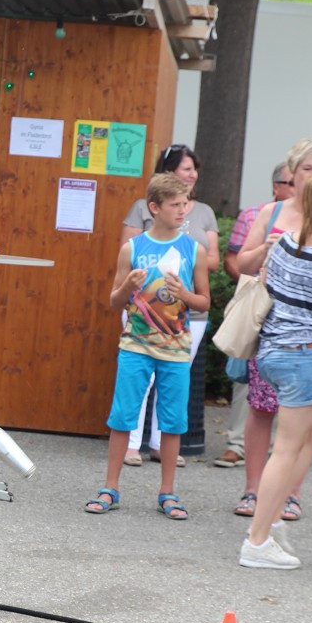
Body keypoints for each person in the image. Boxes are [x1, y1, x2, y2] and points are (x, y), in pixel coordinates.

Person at [85, 173, 210, 520]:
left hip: (175, 350)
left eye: (185, 204)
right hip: (135, 346)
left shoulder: (194, 250)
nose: (183, 210)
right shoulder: (133, 248)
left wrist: (185, 295)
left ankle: (167, 492)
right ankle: (110, 487)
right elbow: (113, 301)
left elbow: (204, 302)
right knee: (123, 416)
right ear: (154, 208)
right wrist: (127, 285)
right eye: (175, 205)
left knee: (172, 421)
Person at [120, 144, 219, 467]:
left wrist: (186, 278)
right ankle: (131, 444)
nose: (192, 174)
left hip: (187, 316)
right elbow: (130, 252)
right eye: (186, 168)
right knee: (140, 382)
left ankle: (162, 445)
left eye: (195, 169)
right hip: (144, 310)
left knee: (173, 380)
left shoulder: (203, 212)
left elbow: (212, 261)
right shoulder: (141, 208)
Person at [239, 159, 312, 570]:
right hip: (304, 357)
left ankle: (268, 523)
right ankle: (257, 540)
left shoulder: (284, 242)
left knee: (304, 443)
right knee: (287, 449)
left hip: (275, 352)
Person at [214, 161, 294, 468]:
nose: (296, 188)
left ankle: (284, 456)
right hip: (259, 305)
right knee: (246, 380)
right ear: (276, 186)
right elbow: (233, 260)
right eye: (289, 182)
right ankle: (236, 443)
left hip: (297, 319)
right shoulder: (255, 214)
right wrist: (253, 283)